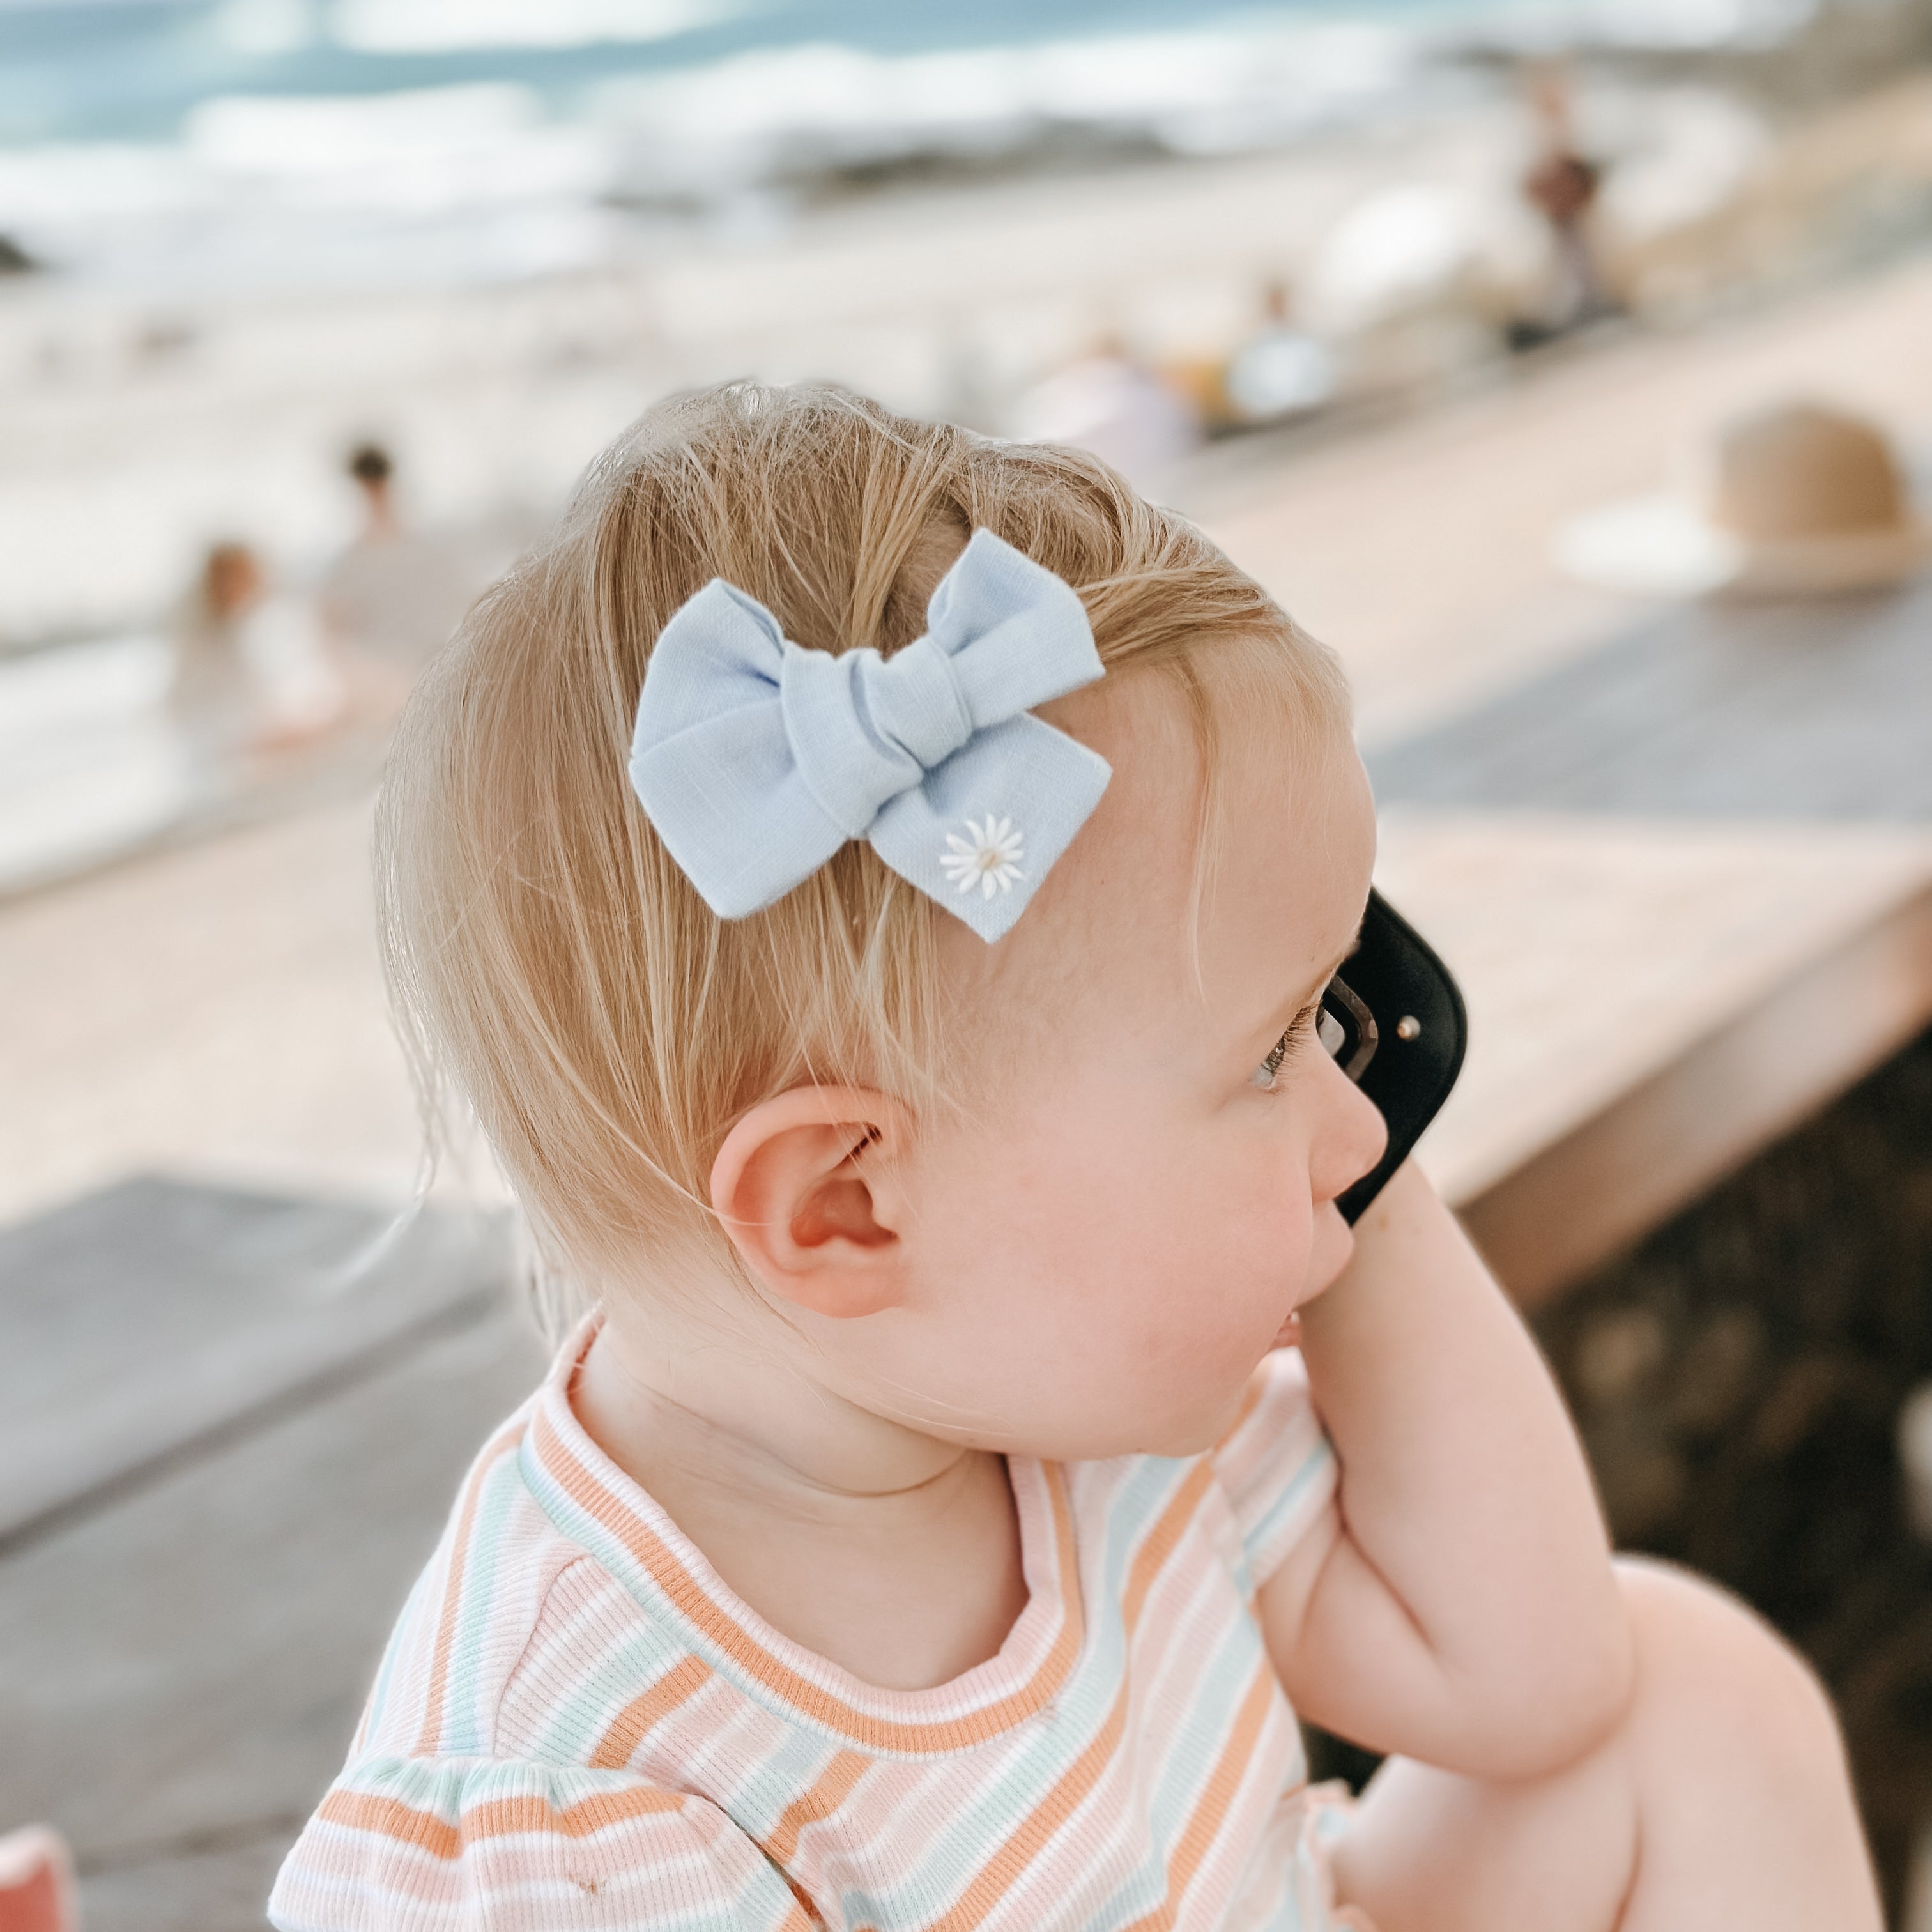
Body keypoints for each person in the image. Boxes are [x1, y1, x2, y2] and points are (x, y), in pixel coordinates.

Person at [271, 383, 1880, 1929]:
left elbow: (1533, 1677)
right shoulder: (582, 1806)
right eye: (1274, 1050)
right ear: (846, 1207)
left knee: (1687, 1696)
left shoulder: (1069, 1395)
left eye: (1335, 1017)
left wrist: (1334, 1187)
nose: (1360, 1121)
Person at [316, 441, 477, 718]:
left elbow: (332, 637)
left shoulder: (351, 562)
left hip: (401, 679)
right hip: (420, 672)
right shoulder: (431, 545)